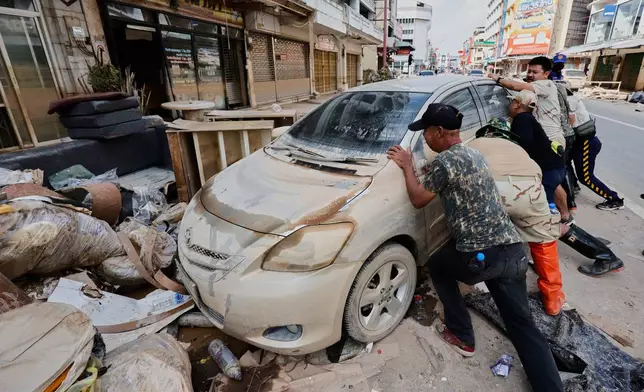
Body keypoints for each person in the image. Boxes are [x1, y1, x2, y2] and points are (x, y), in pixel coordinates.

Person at [387, 103, 563, 392]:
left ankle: (463, 336)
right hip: (513, 252)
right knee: (522, 325)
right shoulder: (474, 154)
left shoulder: (446, 161)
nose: (425, 139)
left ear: (439, 132)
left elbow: (419, 198)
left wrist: (407, 165)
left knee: (438, 265)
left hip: (483, 257)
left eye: (427, 133)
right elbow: (456, 180)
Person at [474, 117, 625, 277]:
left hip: (514, 194)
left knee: (545, 228)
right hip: (537, 187)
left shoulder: (476, 147)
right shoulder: (518, 148)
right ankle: (602, 253)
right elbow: (550, 183)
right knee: (549, 225)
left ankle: (605, 256)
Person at [468, 121, 566, 315]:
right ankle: (553, 299)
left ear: (487, 132)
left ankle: (475, 273)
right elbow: (537, 174)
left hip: (495, 191)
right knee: (543, 241)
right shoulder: (519, 149)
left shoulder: (475, 143)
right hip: (530, 189)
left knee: (479, 231)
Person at [488, 57, 573, 224]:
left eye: (535, 72)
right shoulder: (536, 91)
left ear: (546, 74)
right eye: (529, 71)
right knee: (552, 179)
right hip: (545, 138)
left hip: (551, 139)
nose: (531, 75)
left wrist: (495, 78)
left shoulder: (546, 85)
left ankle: (556, 217)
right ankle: (565, 214)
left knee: (550, 178)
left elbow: (515, 86)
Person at [567, 89, 625, 211]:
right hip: (579, 142)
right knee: (564, 160)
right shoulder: (569, 98)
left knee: (586, 178)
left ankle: (614, 199)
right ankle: (573, 185)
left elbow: (570, 121)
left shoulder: (569, 100)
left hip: (587, 143)